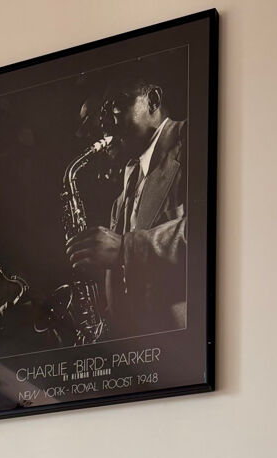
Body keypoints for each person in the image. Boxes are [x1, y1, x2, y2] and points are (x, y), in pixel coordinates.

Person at [68, 79, 187, 337]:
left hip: (181, 344)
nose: (106, 122)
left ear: (153, 100)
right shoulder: (128, 180)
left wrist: (125, 248)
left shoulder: (195, 140)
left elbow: (213, 232)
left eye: (116, 104)